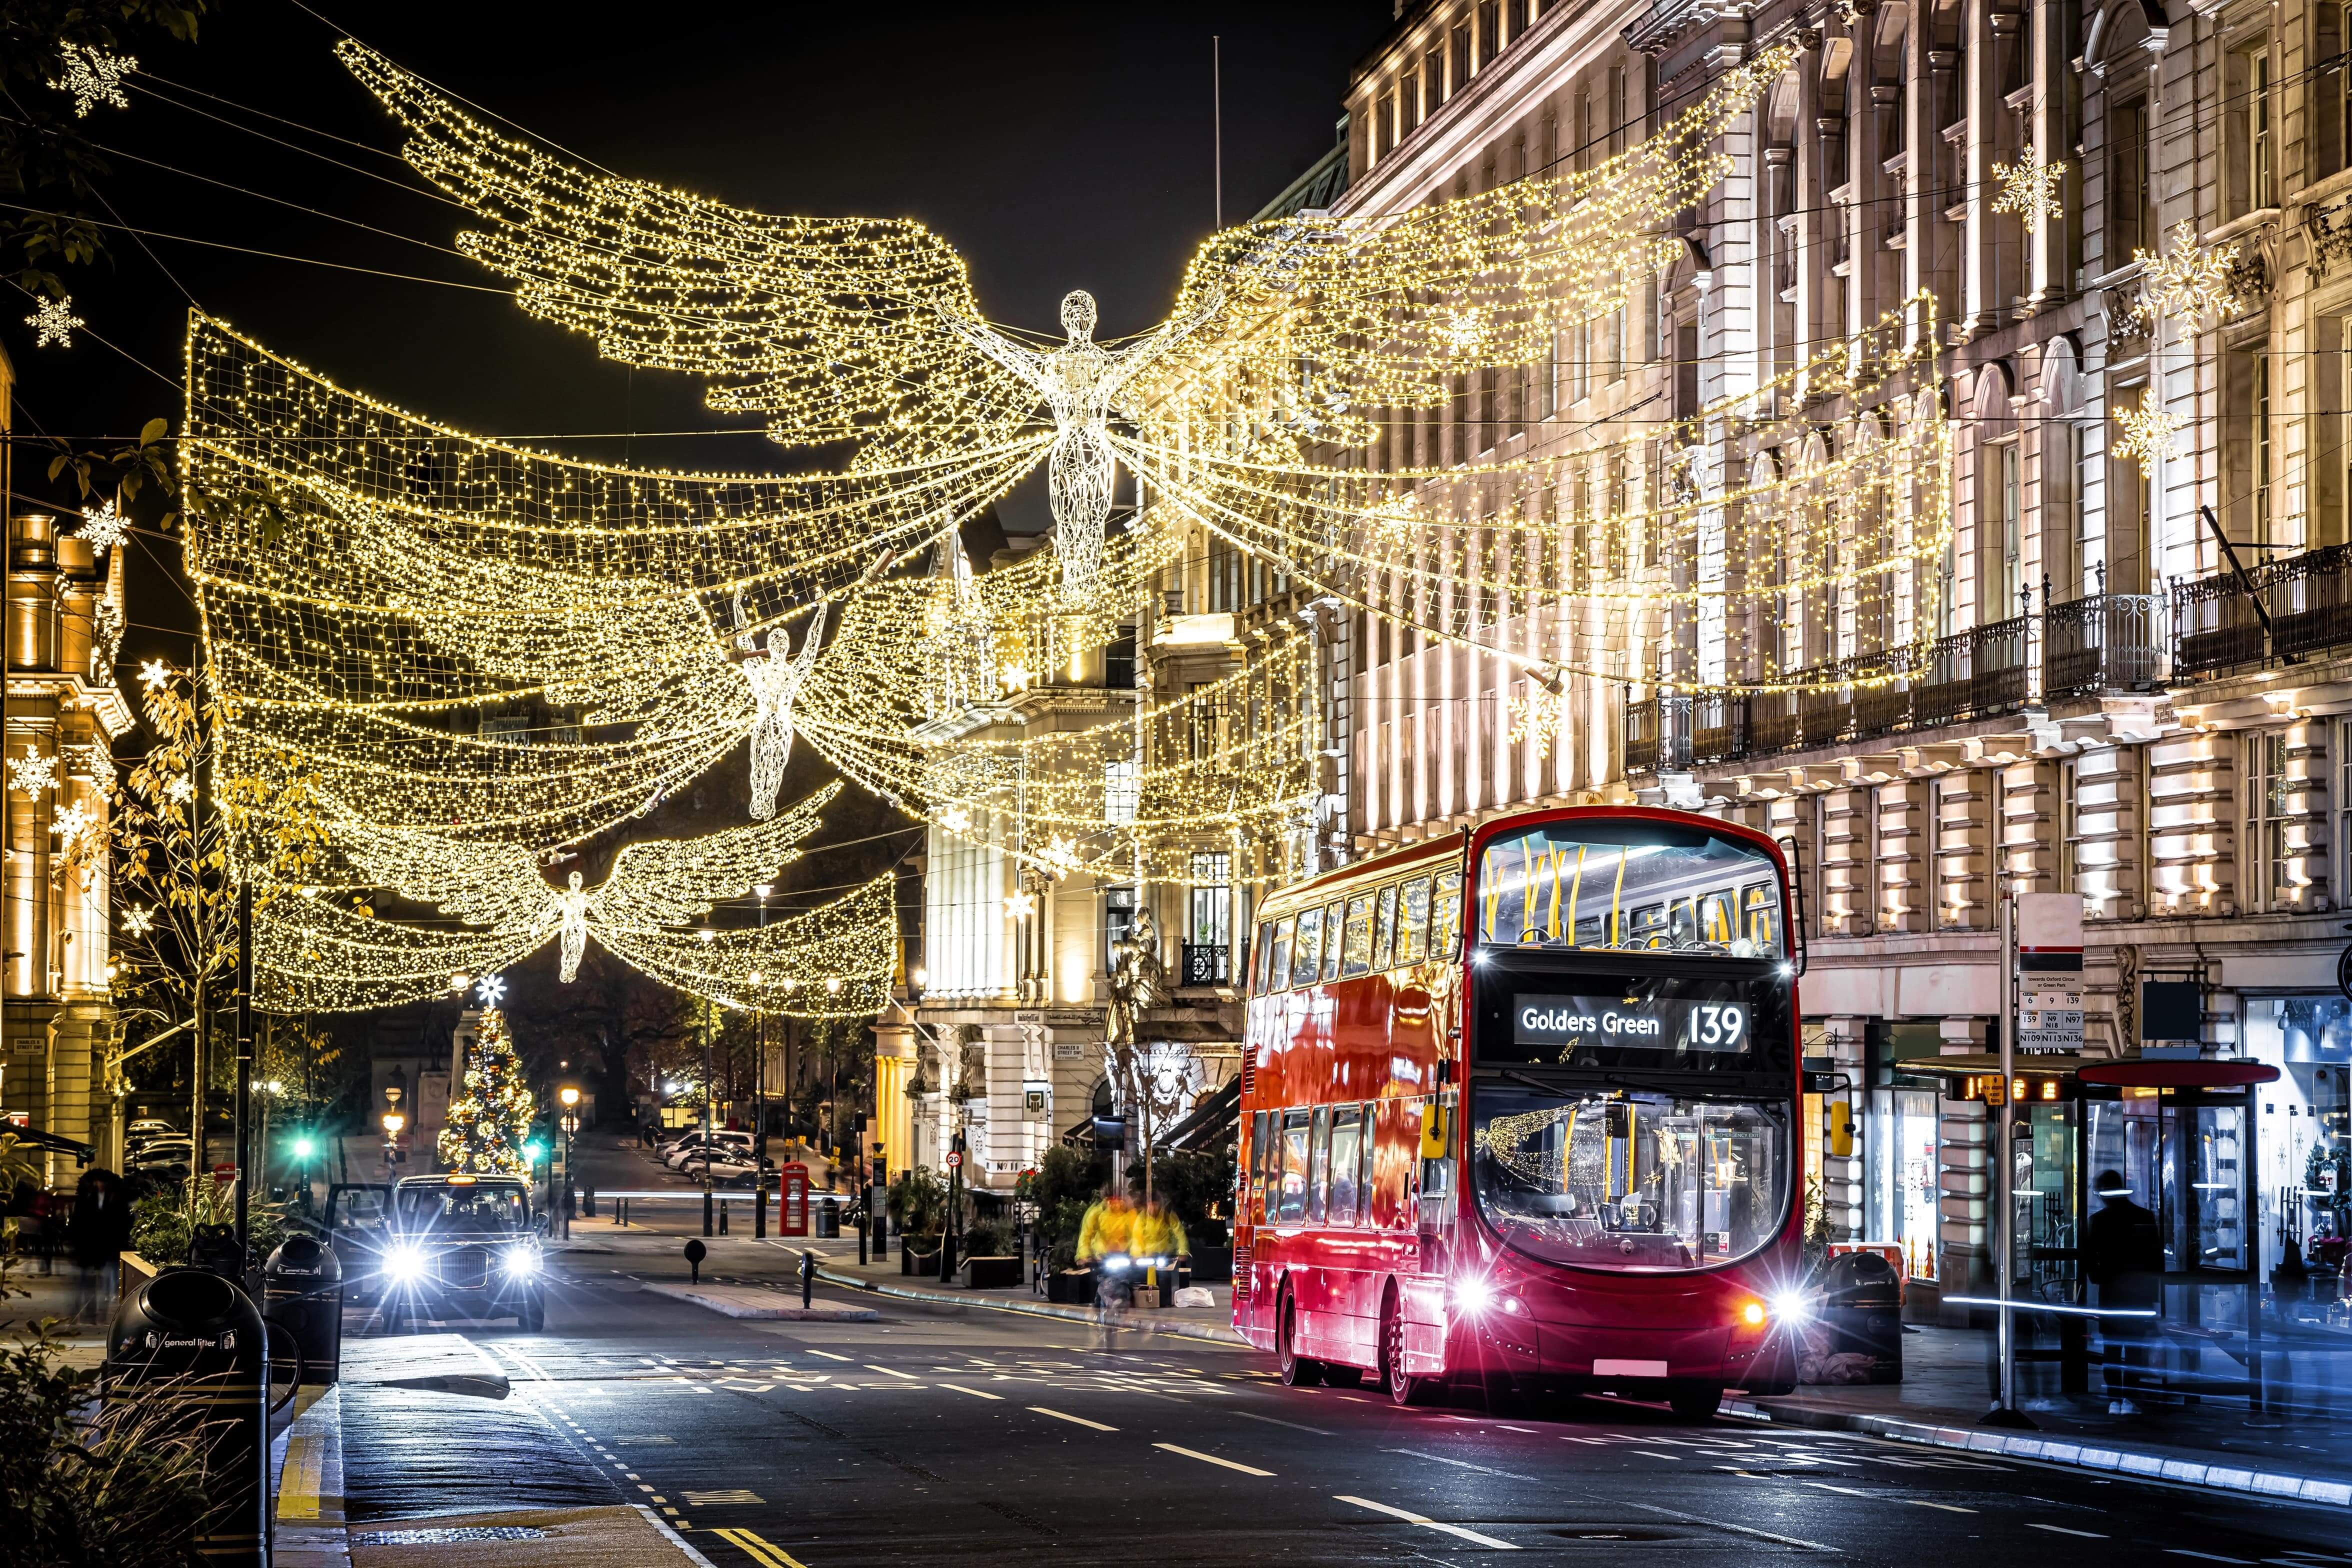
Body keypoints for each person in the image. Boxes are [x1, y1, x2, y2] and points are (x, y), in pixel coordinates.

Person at [2086, 1168, 2164, 1414]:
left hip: (2111, 1295)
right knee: (2134, 1349)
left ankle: (2114, 1399)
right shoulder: (2144, 1217)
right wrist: (2153, 1297)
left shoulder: (2098, 1221)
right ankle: (2130, 1397)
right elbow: (2155, 1261)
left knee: (2112, 1348)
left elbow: (2090, 1259)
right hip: (2138, 1296)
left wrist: (2097, 1277)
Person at [1074, 1189, 1136, 1346]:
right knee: (1101, 1284)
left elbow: (1138, 1236)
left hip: (1123, 1256)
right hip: (1101, 1257)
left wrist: (1138, 1254)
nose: (1113, 1203)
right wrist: (1084, 1255)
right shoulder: (1096, 1213)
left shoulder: (1129, 1215)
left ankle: (1120, 1306)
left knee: (1125, 1283)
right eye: (1110, 1200)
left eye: (1116, 1200)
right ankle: (1098, 1310)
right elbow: (1086, 1236)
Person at [70, 1168, 130, 1324]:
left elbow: (122, 1221)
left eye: (103, 1182)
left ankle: (96, 1314)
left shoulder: (116, 1199)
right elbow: (78, 1222)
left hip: (107, 1244)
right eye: (98, 1182)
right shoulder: (86, 1198)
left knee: (104, 1280)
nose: (101, 1185)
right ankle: (85, 1314)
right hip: (88, 1244)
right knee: (86, 1281)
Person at [1132, 1198, 1188, 1310]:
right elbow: (1137, 1238)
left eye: (1155, 1204)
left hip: (1164, 1254)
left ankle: (1164, 1301)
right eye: (1150, 1204)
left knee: (1165, 1276)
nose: (1152, 1207)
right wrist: (1137, 1254)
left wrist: (1182, 1251)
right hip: (1147, 1256)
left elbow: (1179, 1233)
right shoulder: (1142, 1218)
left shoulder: (1168, 1216)